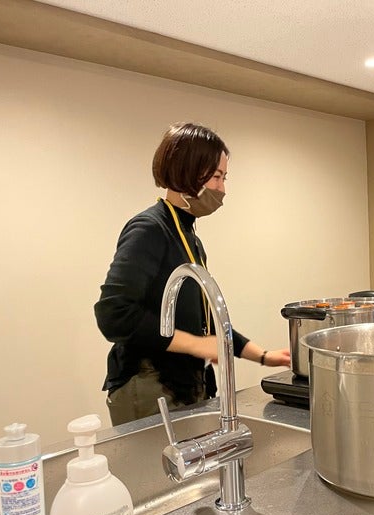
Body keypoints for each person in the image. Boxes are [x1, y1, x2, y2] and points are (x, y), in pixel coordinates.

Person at [95, 122, 291, 426]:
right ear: (187, 171)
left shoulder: (189, 238)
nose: (222, 189)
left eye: (224, 178)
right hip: (149, 385)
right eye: (216, 177)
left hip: (186, 384)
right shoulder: (149, 229)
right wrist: (196, 344)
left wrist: (263, 356)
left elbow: (207, 324)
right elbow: (113, 315)